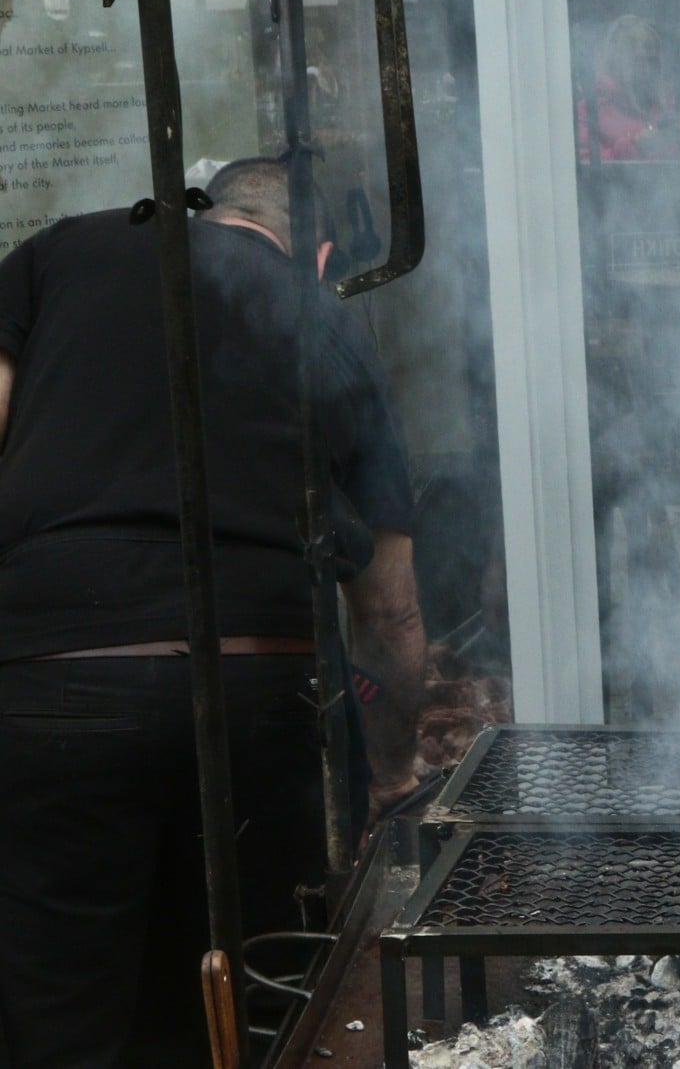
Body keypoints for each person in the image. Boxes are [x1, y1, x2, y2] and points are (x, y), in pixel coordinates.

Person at [0, 158, 424, 1067]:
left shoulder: (61, 253)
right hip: (257, 703)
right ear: (314, 255)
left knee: (59, 1026)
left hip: (56, 695)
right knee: (249, 1015)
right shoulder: (327, 322)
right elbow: (390, 609)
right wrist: (392, 768)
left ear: (213, 207)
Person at [579, 14, 680, 162]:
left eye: (652, 61)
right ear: (617, 63)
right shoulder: (592, 110)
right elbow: (584, 173)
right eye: (638, 62)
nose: (648, 70)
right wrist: (635, 146)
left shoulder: (671, 105)